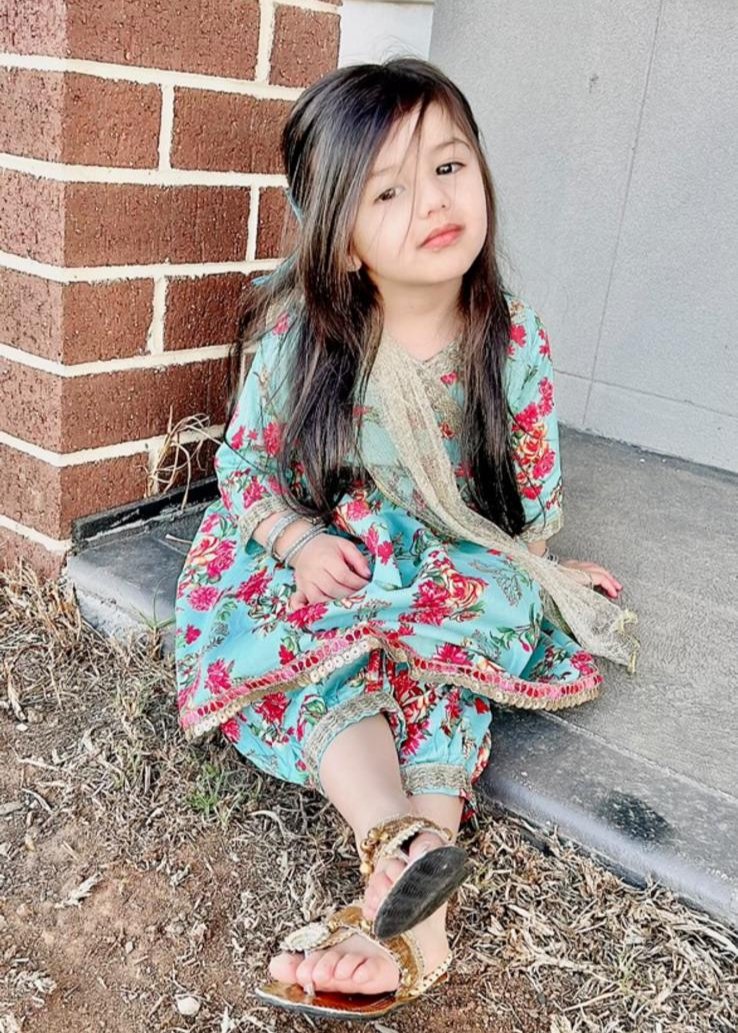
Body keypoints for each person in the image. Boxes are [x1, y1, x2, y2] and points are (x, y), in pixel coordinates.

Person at [174, 56, 639, 1020]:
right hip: (332, 551)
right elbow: (245, 468)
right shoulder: (304, 337)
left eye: (448, 166)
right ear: (342, 242)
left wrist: (539, 568)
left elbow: (529, 490)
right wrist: (296, 544)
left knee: (450, 662)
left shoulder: (512, 340)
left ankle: (414, 919)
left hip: (438, 564)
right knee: (322, 646)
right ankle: (395, 837)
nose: (432, 201)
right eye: (388, 190)